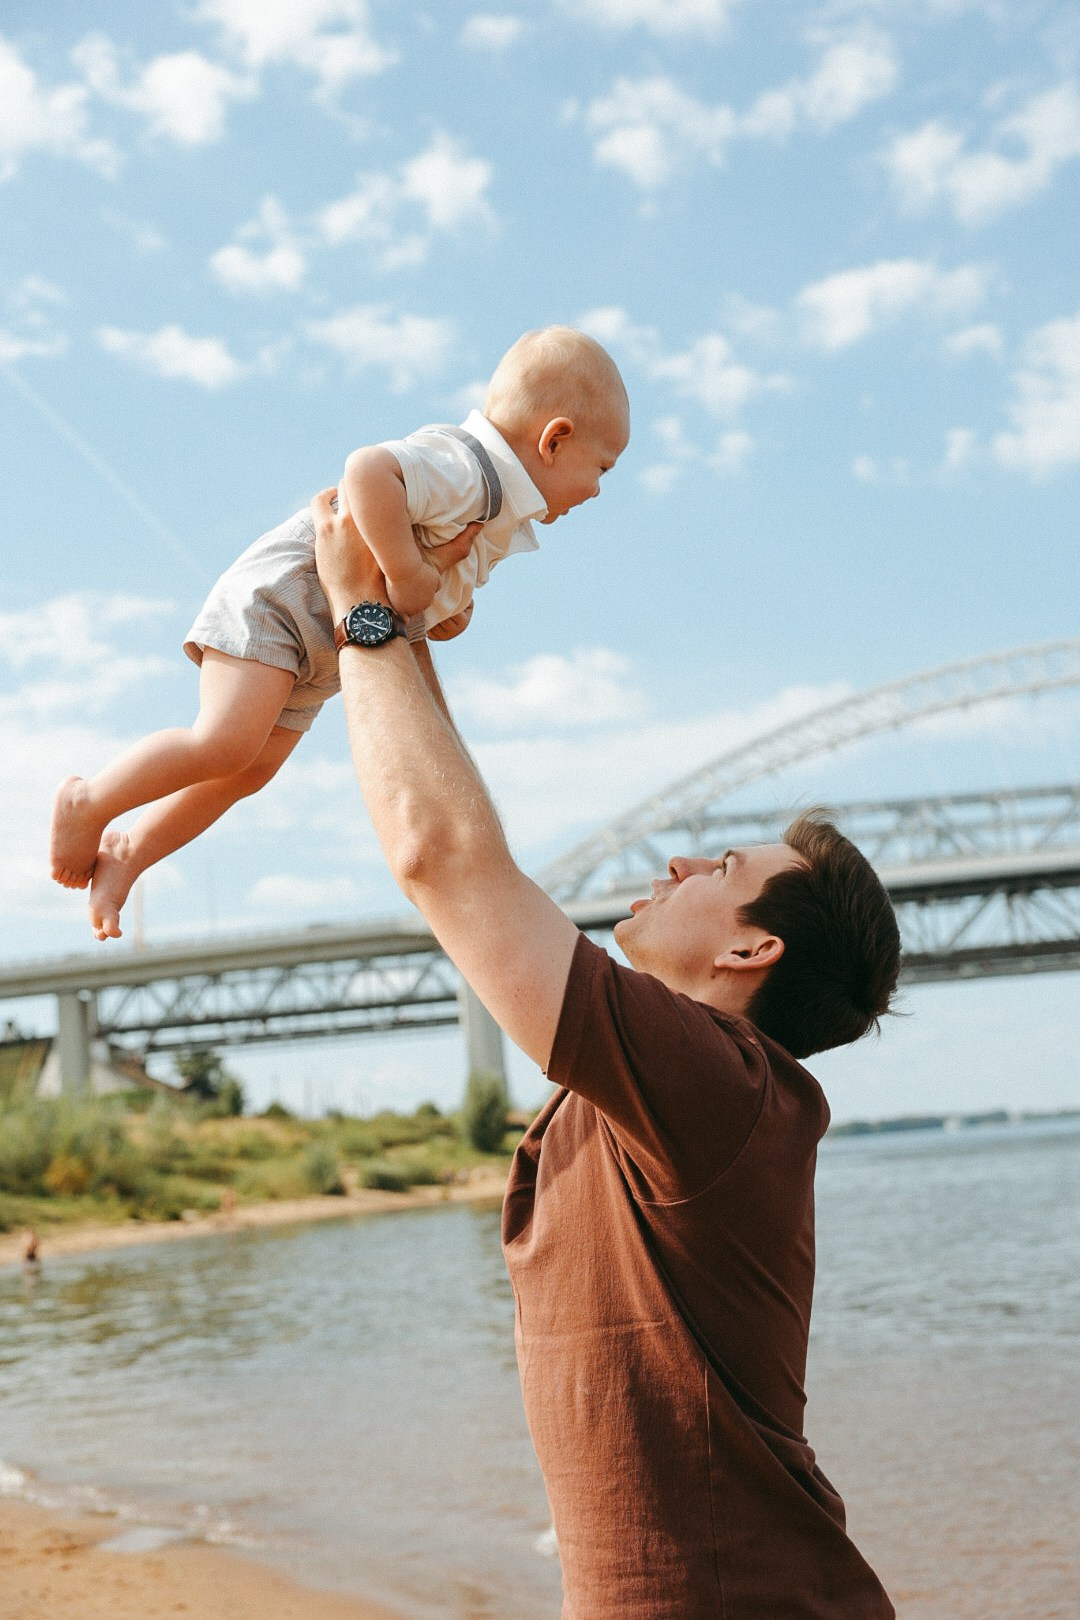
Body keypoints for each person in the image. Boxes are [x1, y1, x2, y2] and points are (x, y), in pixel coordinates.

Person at [309, 488, 903, 1618]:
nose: (681, 863)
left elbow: (444, 857)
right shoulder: (652, 1089)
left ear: (753, 946)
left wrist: (362, 624)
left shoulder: (723, 1087)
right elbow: (473, 857)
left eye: (720, 866)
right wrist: (408, 617)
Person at [49, 326, 629, 941]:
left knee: (249, 769)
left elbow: (434, 582)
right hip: (288, 598)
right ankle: (89, 801)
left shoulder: (500, 509)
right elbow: (368, 472)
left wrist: (446, 610)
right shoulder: (469, 468)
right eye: (602, 467)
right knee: (225, 740)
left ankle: (131, 851)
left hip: (323, 639)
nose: (597, 488)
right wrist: (406, 571)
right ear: (555, 439)